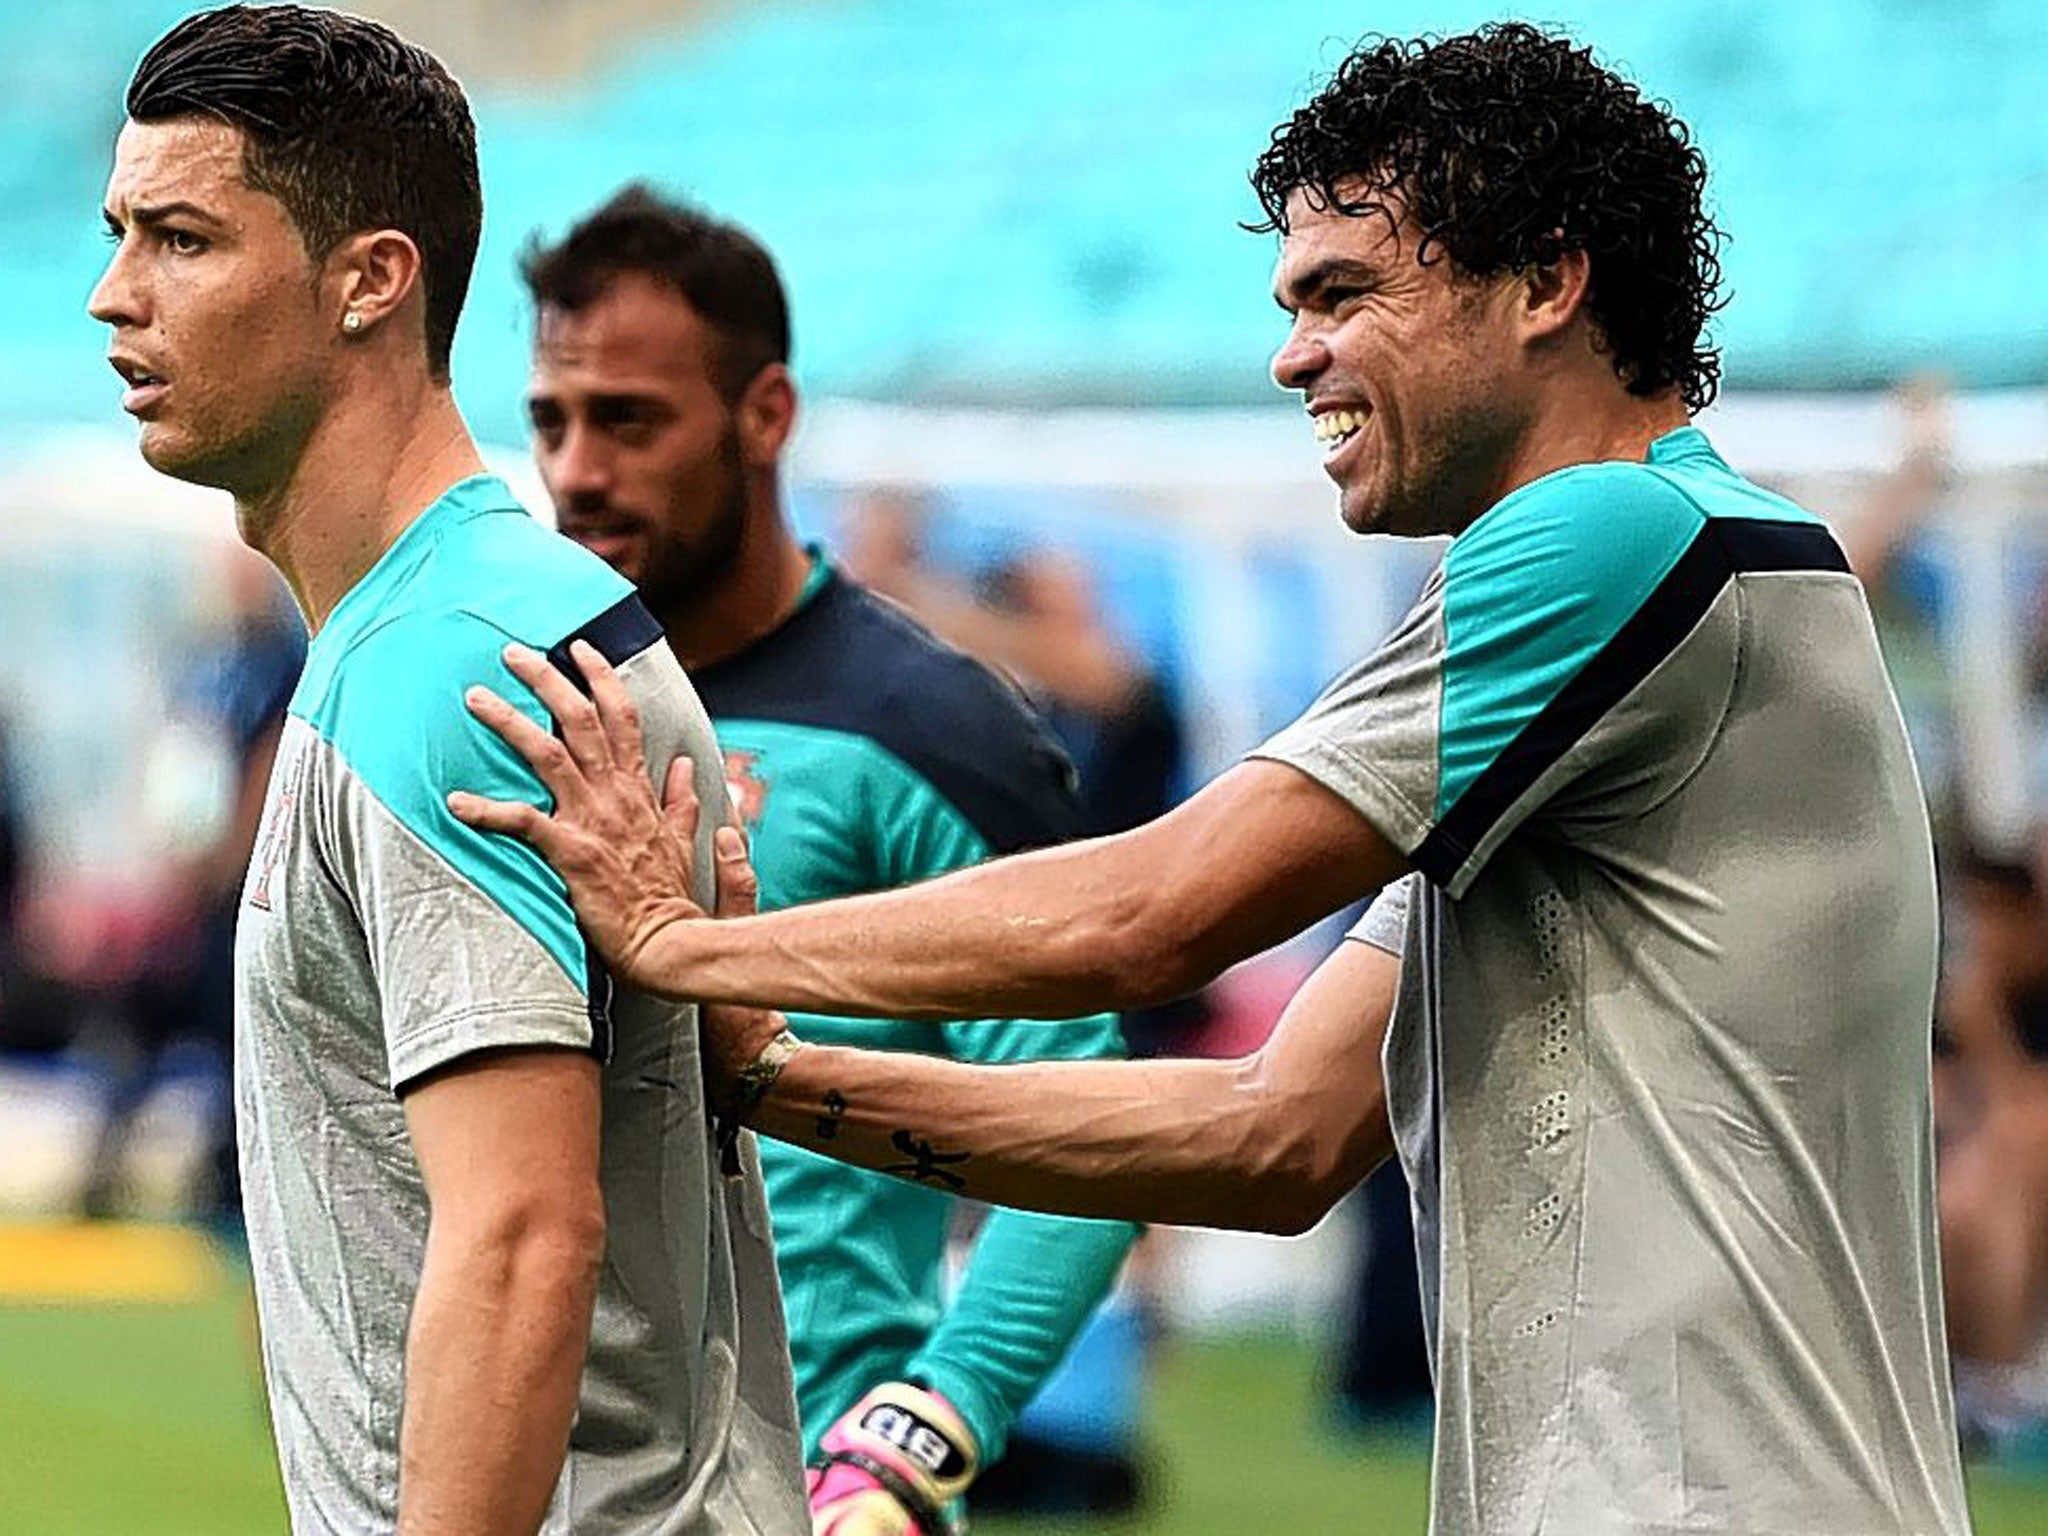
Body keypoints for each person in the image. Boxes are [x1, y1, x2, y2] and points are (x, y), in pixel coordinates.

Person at [452, 23, 1973, 1536]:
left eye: (1343, 292)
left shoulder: (1605, 538)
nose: (1290, 353)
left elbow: (1161, 913)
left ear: (1547, 284)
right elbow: (1271, 1135)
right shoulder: (1645, 633)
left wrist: (684, 946)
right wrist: (770, 1071)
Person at [89, 9, 804, 1533]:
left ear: (370, 280)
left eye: (181, 240)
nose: (113, 297)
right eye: (116, 236)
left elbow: (526, 1237)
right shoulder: (448, 622)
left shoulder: (454, 660)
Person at [517, 185, 1137, 1535]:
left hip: (808, 1496)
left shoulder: (929, 726)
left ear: (766, 415)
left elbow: (1093, 1127)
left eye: (628, 420)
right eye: (552, 423)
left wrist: (929, 1427)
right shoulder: (543, 705)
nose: (576, 472)